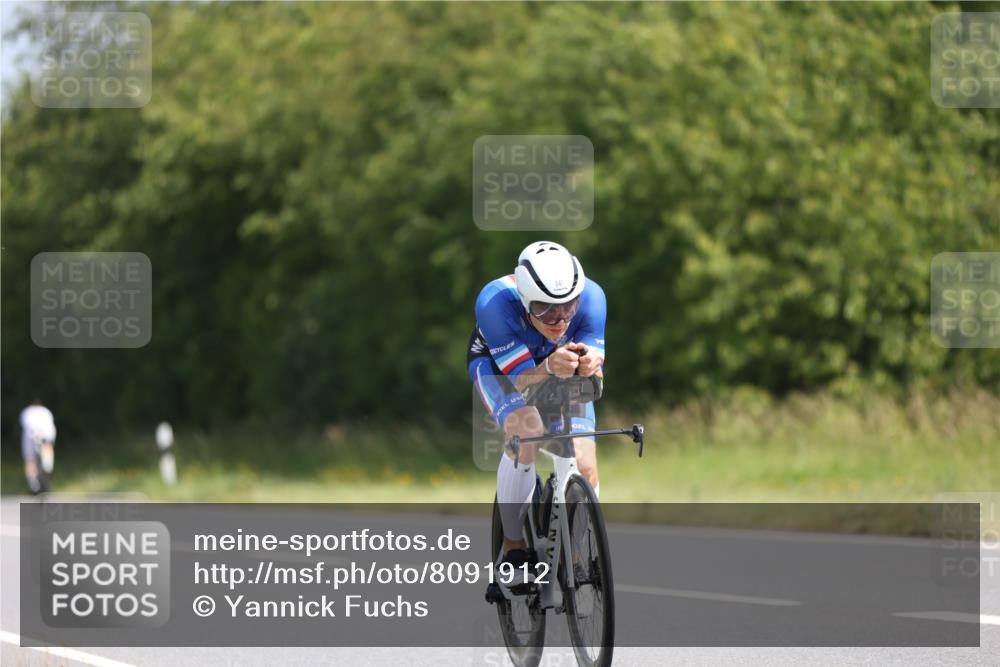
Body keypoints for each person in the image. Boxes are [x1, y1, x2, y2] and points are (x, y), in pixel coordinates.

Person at [468, 241, 606, 578]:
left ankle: (574, 551)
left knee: (586, 463)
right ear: (526, 299)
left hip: (556, 365)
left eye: (568, 307)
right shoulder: (494, 303)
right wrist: (547, 366)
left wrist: (592, 365)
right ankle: (513, 546)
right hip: (500, 368)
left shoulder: (592, 296)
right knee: (527, 430)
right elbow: (520, 381)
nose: (559, 320)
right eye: (545, 309)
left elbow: (596, 378)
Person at [20, 400, 56, 495]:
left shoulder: (26, 412)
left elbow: (26, 426)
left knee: (30, 459)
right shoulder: (46, 411)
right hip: (45, 435)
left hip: (31, 436)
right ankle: (47, 468)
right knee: (47, 450)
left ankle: (33, 484)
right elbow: (50, 429)